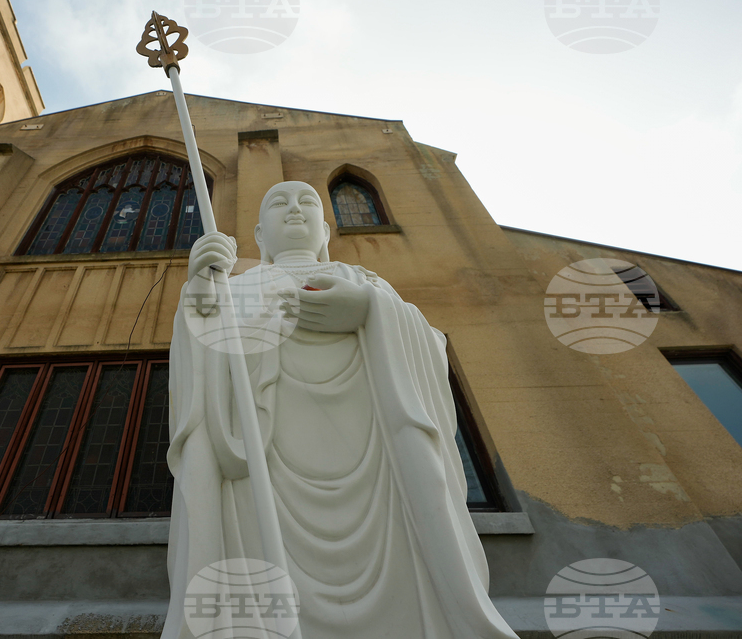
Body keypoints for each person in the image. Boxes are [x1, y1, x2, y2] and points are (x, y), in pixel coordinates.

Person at [162, 181, 519, 638]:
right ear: (259, 236)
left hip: (379, 469)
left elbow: (430, 348)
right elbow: (204, 368)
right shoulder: (239, 286)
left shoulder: (365, 281)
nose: (294, 210)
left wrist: (372, 312)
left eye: (307, 202)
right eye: (279, 203)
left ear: (326, 231)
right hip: (265, 469)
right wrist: (202, 295)